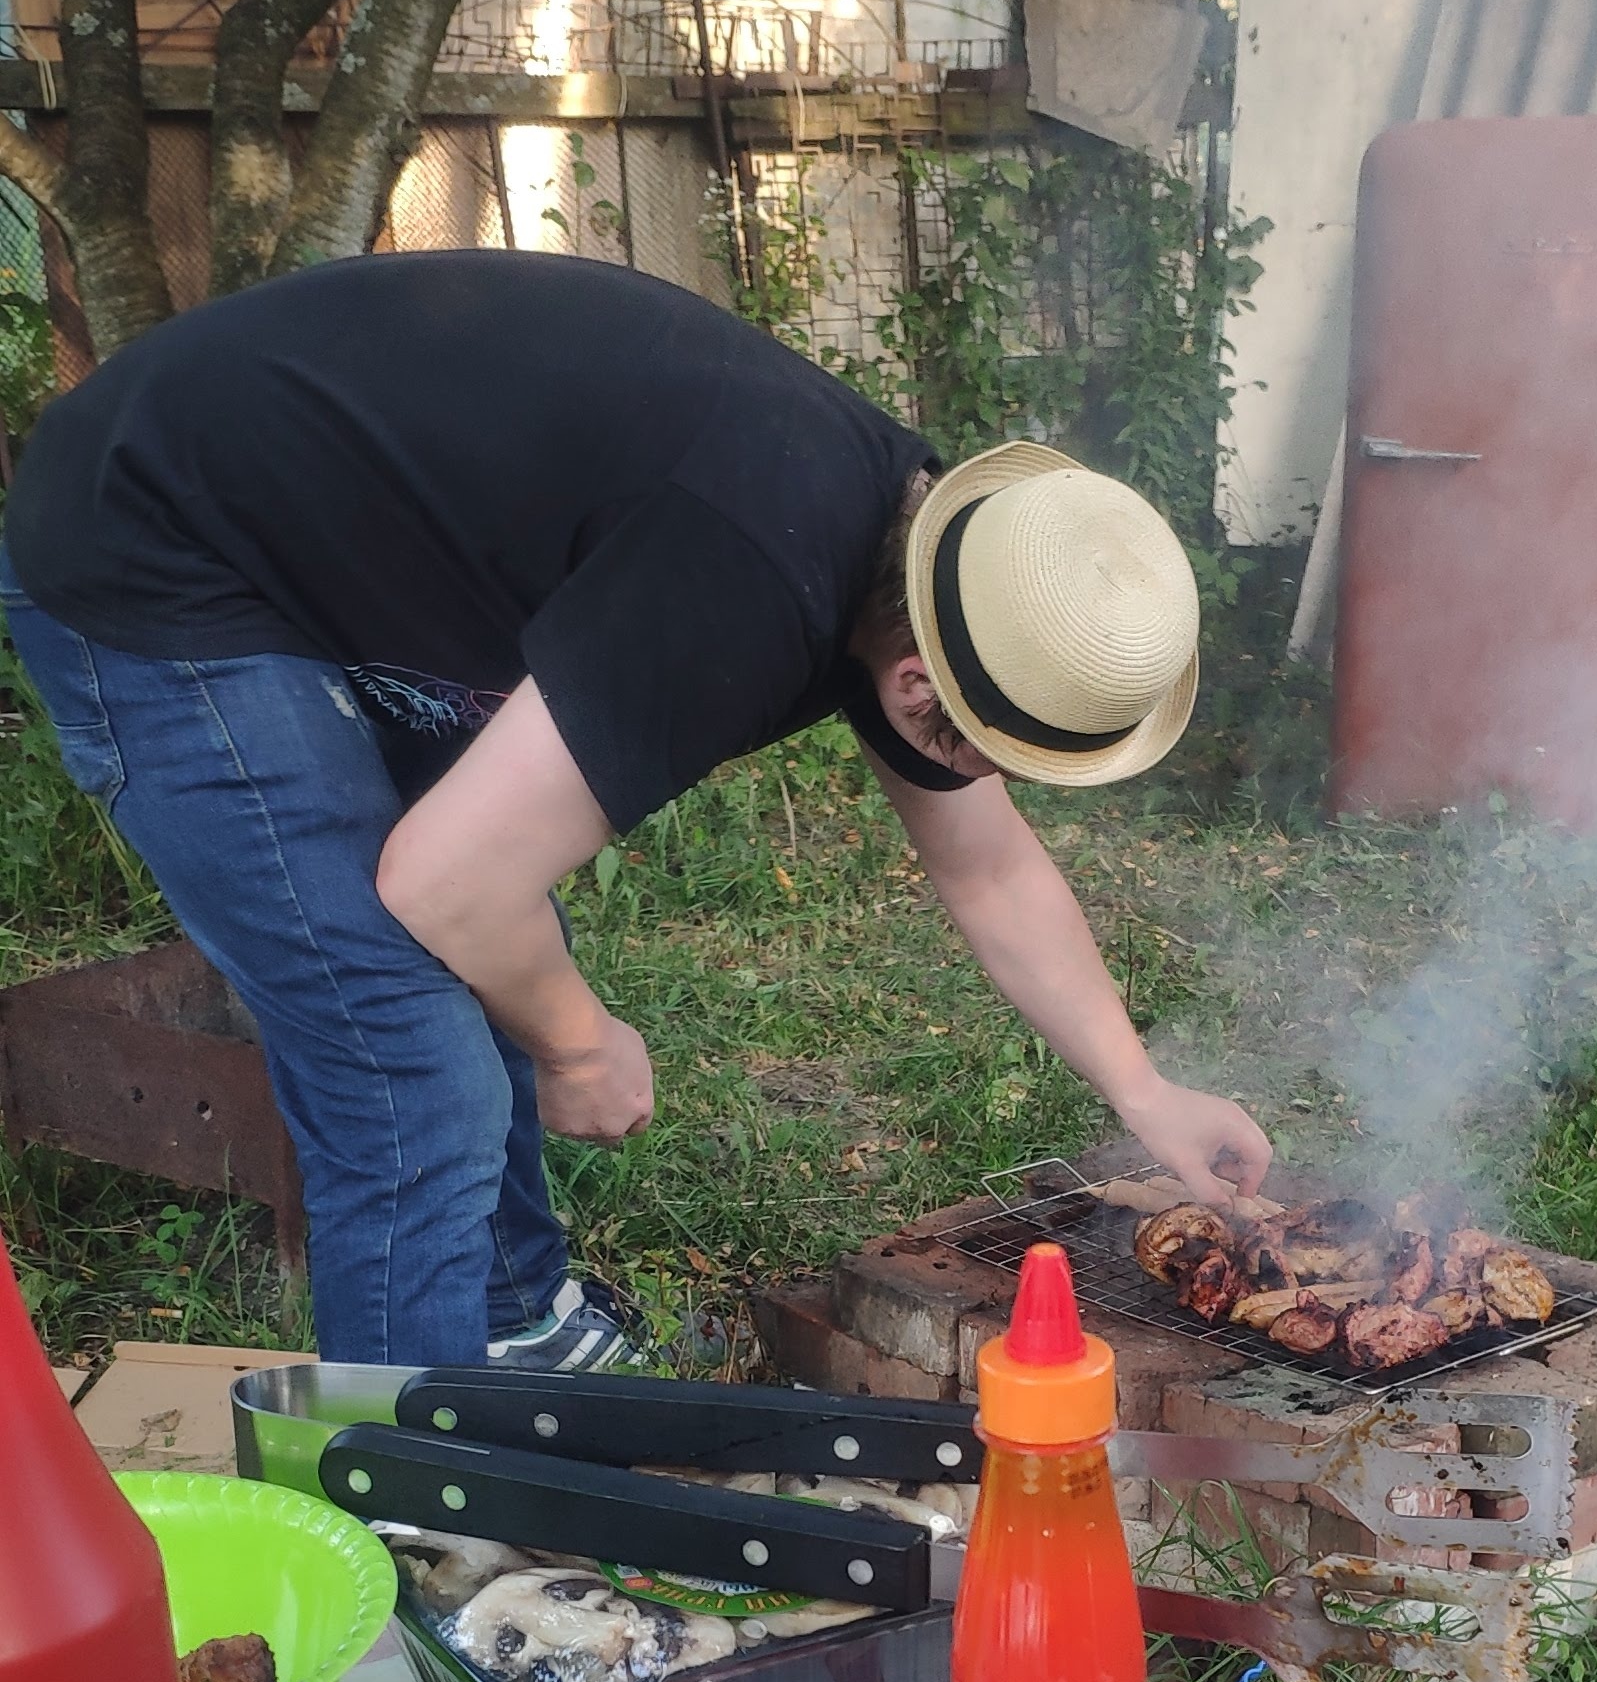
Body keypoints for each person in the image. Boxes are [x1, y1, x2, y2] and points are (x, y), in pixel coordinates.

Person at [1, 252, 1270, 1367]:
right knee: (412, 1069)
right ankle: (413, 1531)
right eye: (981, 742)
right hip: (157, 551)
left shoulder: (921, 559)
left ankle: (507, 1320)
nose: (977, 773)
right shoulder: (746, 579)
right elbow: (446, 885)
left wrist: (1143, 1089)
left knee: (474, 953)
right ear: (915, 682)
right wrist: (576, 1040)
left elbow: (989, 871)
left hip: (310, 548)